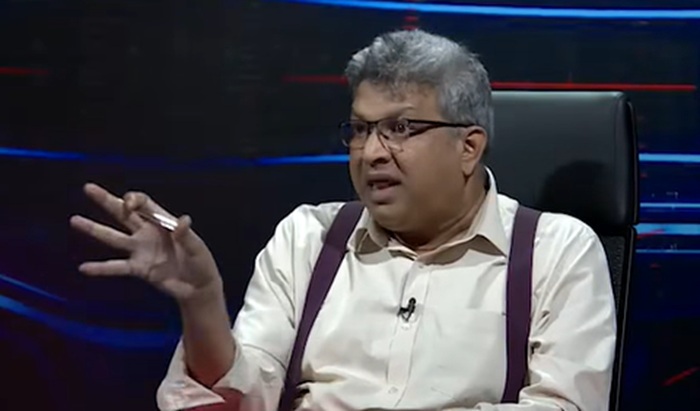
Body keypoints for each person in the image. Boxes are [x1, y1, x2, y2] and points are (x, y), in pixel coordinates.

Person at [71, 30, 617, 411]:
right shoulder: (308, 238)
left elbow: (564, 406)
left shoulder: (558, 251)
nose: (372, 152)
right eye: (360, 129)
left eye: (400, 129)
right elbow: (241, 398)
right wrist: (202, 303)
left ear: (468, 147)